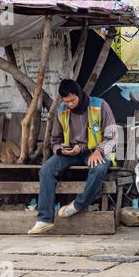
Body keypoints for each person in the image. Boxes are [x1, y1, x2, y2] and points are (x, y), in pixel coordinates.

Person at [28, 79, 118, 234]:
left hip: (96, 151)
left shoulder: (100, 105)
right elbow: (55, 140)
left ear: (80, 94)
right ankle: (44, 219)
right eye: (66, 101)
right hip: (71, 153)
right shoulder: (61, 110)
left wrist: (99, 151)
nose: (69, 104)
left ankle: (78, 205)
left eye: (72, 100)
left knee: (99, 168)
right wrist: (61, 149)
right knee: (46, 170)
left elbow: (114, 136)